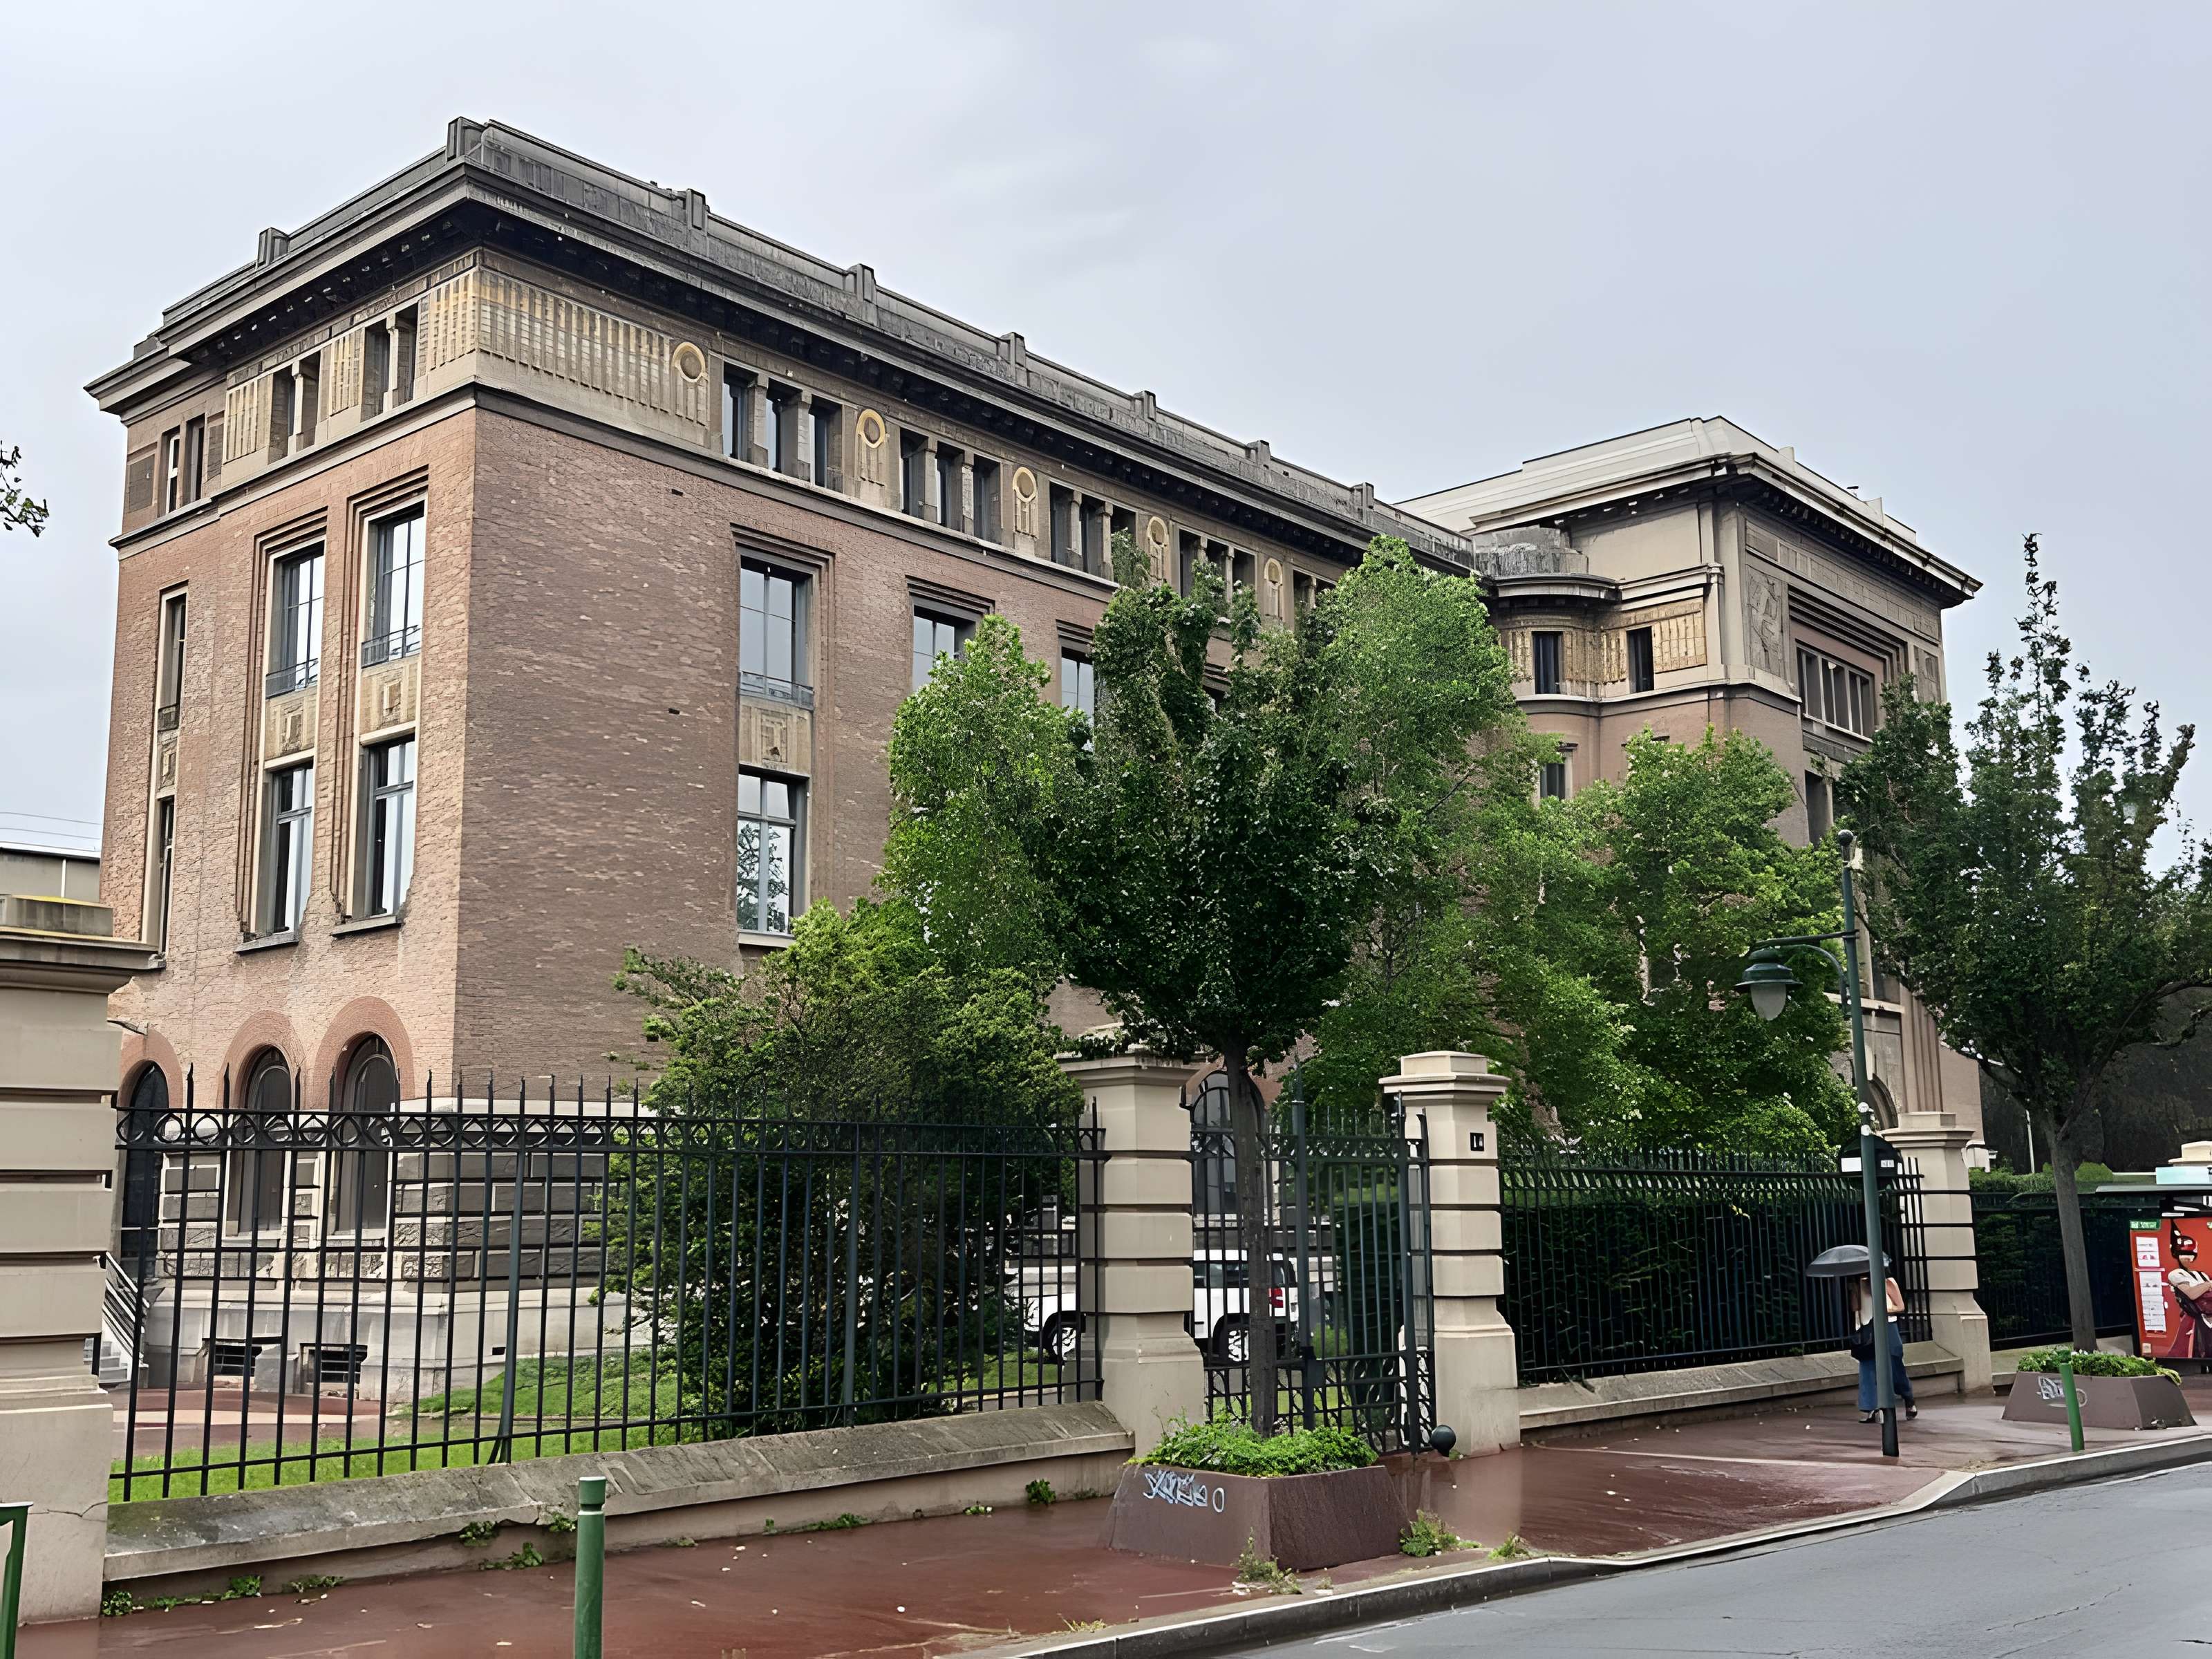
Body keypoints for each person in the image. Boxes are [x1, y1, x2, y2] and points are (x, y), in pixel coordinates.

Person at [1849, 1270, 1916, 1423]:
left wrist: (1882, 1308)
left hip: (1887, 1325)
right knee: (1867, 1366)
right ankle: (1871, 1408)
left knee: (1894, 1364)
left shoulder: (1887, 1282)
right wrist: (1855, 1290)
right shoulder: (1859, 1284)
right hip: (1867, 1327)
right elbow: (1855, 1308)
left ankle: (1908, 1397)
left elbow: (1900, 1306)